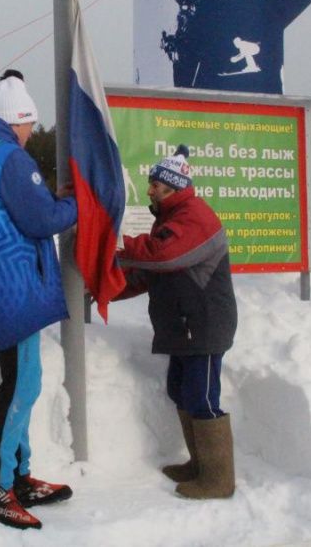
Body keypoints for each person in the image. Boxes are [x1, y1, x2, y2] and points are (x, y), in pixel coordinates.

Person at [0, 69, 77, 530]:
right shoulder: (9, 156)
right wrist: (77, 205)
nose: (31, 133)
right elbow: (41, 218)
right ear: (18, 120)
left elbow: (18, 210)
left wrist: (47, 200)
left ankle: (19, 478)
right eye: (30, 125)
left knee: (24, 382)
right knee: (20, 388)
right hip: (18, 289)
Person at [116, 144, 238, 499]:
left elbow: (166, 257)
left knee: (203, 398)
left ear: (173, 187)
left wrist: (119, 249)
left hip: (204, 324)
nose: (150, 189)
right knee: (180, 391)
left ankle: (218, 479)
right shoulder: (169, 219)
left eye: (155, 184)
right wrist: (109, 287)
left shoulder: (195, 216)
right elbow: (151, 274)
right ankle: (199, 464)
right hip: (184, 325)